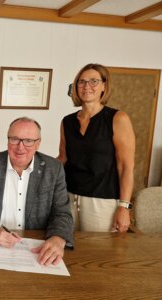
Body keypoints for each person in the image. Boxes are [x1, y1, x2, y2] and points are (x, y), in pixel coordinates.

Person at [0, 117, 74, 266]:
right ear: (7, 140)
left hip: (37, 249)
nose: (20, 147)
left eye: (28, 141)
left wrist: (58, 238)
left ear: (38, 144)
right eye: (14, 139)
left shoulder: (53, 169)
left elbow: (62, 212)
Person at [57, 63, 135, 233]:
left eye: (93, 81)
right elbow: (63, 158)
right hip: (69, 197)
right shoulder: (67, 121)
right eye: (81, 82)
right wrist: (30, 161)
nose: (87, 86)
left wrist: (124, 207)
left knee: (99, 253)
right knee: (67, 249)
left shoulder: (118, 119)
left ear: (104, 86)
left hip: (102, 201)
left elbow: (126, 168)